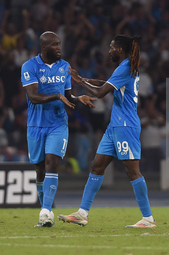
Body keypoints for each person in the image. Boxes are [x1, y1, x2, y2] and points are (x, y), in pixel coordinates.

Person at [58, 34, 156, 228]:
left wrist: (80, 82)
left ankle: (148, 218)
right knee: (97, 166)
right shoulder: (127, 66)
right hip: (115, 126)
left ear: (120, 49)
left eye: (111, 47)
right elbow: (106, 82)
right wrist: (86, 79)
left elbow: (101, 92)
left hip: (125, 126)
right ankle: (82, 213)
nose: (109, 51)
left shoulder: (125, 66)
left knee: (132, 171)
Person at [21, 31, 96, 227]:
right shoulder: (29, 66)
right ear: (44, 47)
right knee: (39, 170)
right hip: (36, 125)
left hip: (58, 124)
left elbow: (68, 96)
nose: (59, 48)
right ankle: (45, 207)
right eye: (54, 45)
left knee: (52, 163)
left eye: (59, 44)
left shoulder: (65, 67)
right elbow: (33, 97)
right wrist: (56, 96)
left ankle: (46, 212)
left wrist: (78, 98)